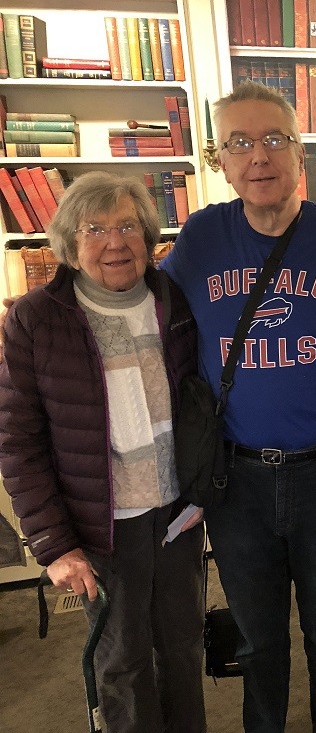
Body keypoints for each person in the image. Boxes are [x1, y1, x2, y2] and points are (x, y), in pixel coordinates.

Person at [161, 81, 316, 733]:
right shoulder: (199, 240)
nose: (260, 156)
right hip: (238, 481)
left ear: (299, 152)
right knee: (259, 644)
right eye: (241, 142)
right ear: (219, 160)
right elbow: (145, 320)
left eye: (274, 139)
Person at [0, 171, 205, 732]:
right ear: (68, 244)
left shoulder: (175, 303)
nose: (115, 242)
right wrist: (54, 545)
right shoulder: (36, 319)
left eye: (127, 226)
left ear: (147, 234)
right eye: (94, 229)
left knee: (185, 652)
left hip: (176, 519)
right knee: (122, 663)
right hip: (101, 529)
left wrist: (205, 490)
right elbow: (18, 442)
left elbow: (202, 404)